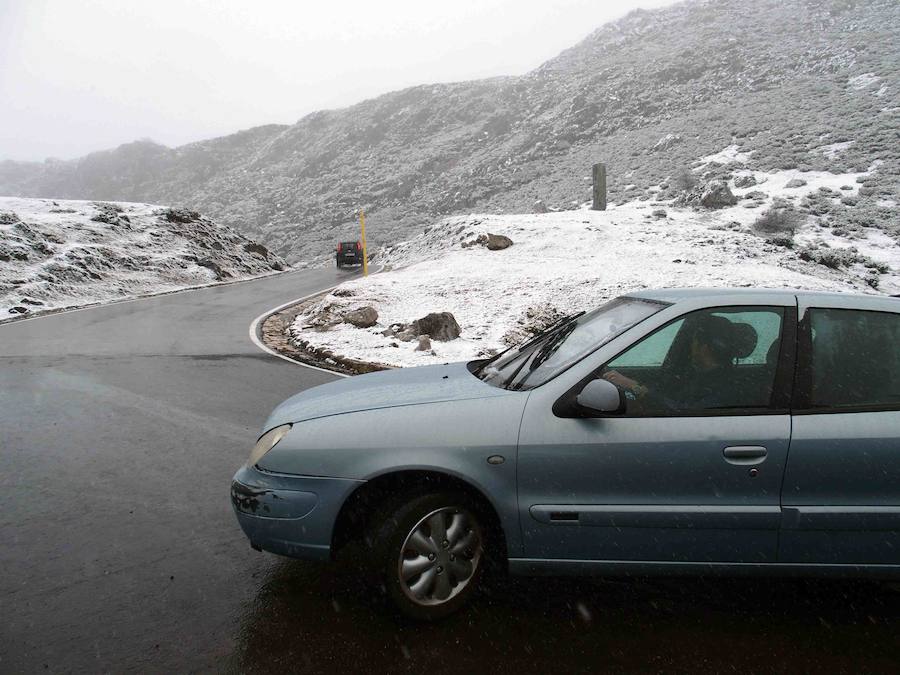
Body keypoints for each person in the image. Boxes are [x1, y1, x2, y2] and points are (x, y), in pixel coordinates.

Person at [602, 313, 743, 411]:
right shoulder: (695, 373)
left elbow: (681, 412)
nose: (689, 347)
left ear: (704, 347)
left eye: (692, 341)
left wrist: (634, 387)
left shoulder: (725, 387)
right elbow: (666, 394)